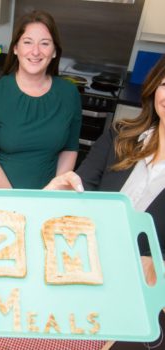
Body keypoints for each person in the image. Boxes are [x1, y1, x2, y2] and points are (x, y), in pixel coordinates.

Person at [46, 55, 165, 285]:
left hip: (141, 286)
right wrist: (61, 194)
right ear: (154, 89)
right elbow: (82, 190)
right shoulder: (119, 136)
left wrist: (158, 265)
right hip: (84, 264)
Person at [0, 10, 82, 189]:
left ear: (54, 51)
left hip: (49, 196)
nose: (36, 51)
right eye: (28, 42)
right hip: (0, 196)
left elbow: (69, 150)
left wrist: (54, 191)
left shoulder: (69, 94)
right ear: (16, 48)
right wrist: (17, 202)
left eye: (45, 43)